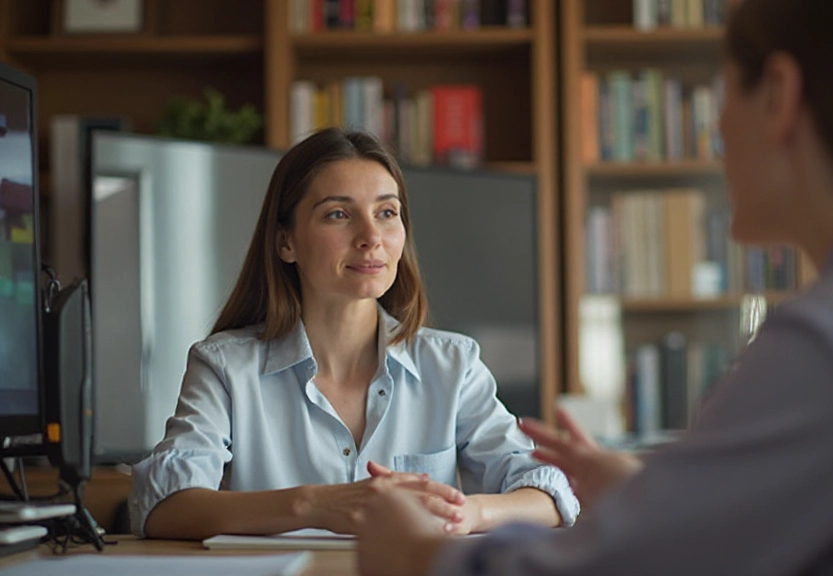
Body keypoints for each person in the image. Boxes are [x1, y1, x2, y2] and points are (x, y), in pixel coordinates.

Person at [352, 1, 833, 575]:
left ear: (780, 95)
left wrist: (420, 555)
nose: (716, 131)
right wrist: (659, 497)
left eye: (723, 91)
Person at [129, 129, 578, 539]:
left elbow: (549, 493)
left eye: (386, 212)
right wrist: (314, 505)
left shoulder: (453, 365)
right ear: (285, 241)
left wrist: (468, 513)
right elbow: (162, 507)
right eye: (339, 214)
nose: (371, 237)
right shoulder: (224, 366)